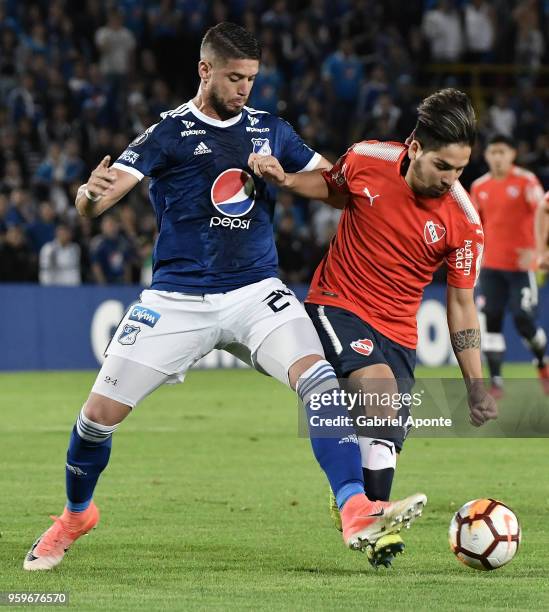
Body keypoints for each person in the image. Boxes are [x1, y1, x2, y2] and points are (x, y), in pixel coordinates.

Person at [24, 22, 425, 572]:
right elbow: (101, 196)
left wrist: (282, 177)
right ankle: (75, 515)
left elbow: (335, 188)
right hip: (177, 298)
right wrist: (87, 197)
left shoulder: (271, 130)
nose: (244, 89)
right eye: (235, 78)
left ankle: (354, 507)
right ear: (204, 70)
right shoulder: (167, 133)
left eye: (252, 79)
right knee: (95, 419)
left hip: (256, 292)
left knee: (321, 383)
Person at [248, 87, 498, 555]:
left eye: (461, 169)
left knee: (383, 439)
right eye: (443, 167)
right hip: (336, 302)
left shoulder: (464, 222)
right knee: (377, 390)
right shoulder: (368, 157)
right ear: (415, 148)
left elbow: (461, 305)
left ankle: (368, 523)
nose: (451, 179)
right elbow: (333, 188)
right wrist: (285, 180)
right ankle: (367, 515)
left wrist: (475, 385)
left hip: (399, 332)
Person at [470, 134, 549, 397]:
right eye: (493, 152)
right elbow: (473, 226)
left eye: (502, 152)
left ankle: (541, 362)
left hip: (521, 268)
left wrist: (539, 251)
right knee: (490, 321)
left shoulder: (527, 183)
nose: (497, 157)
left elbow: (544, 213)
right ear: (486, 156)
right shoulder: (480, 187)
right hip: (491, 267)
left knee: (523, 320)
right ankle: (496, 383)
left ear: (513, 154)